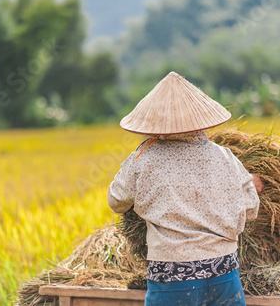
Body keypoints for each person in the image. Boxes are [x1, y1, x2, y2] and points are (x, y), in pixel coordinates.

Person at [108, 71, 262, 306]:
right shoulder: (225, 157)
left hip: (172, 276)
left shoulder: (143, 158)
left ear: (155, 124)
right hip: (224, 272)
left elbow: (116, 201)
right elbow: (250, 209)